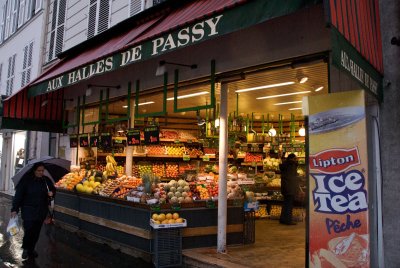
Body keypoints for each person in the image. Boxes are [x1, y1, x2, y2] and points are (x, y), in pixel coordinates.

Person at [11, 162, 56, 259]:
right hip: (28, 209)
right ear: (34, 170)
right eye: (39, 171)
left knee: (36, 231)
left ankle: (31, 249)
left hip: (41, 210)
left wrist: (51, 193)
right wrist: (14, 209)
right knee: (29, 230)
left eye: (42, 171)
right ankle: (26, 249)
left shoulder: (46, 180)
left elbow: (53, 190)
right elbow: (18, 195)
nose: (41, 172)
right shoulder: (26, 181)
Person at [279, 153, 299, 225]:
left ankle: (283, 219)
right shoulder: (291, 165)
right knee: (289, 205)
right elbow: (293, 177)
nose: (296, 160)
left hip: (285, 187)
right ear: (292, 159)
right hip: (290, 187)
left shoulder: (285, 165)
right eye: (295, 159)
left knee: (285, 204)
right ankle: (288, 220)